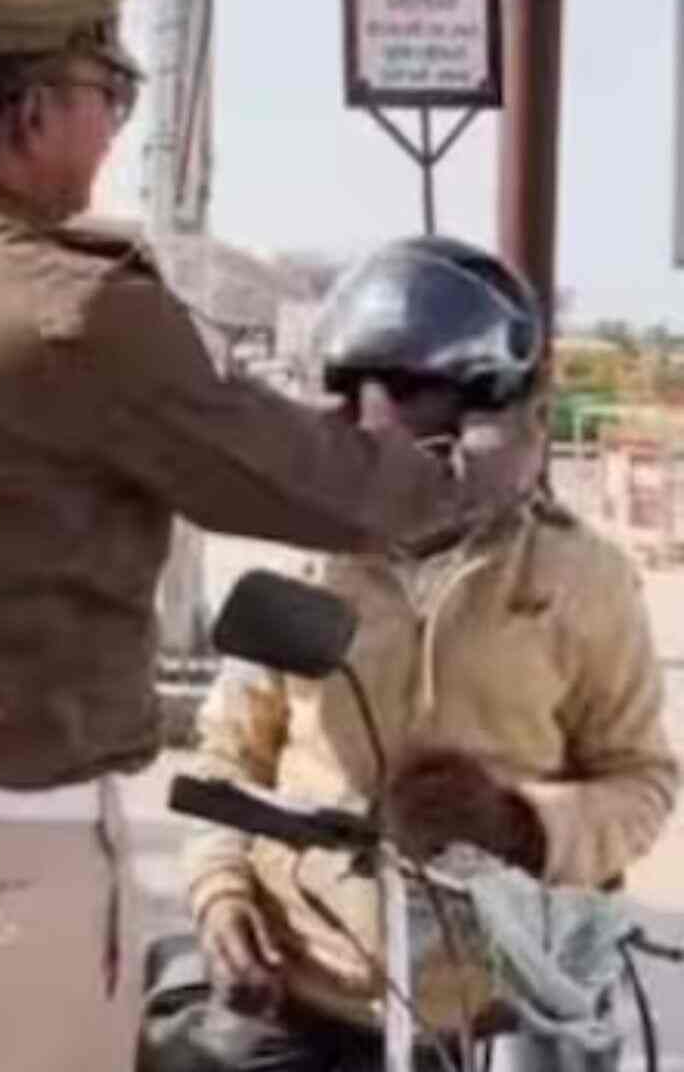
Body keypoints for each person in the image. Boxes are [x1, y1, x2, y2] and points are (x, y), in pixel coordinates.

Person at [0, 0, 542, 1069]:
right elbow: (307, 483)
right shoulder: (66, 307)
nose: (117, 125)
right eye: (110, 92)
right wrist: (469, 482)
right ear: (34, 112)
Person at [142, 238, 679, 1072]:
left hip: (503, 997)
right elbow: (229, 758)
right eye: (354, 391)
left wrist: (525, 824)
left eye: (407, 391)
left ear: (489, 404)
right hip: (310, 988)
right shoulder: (307, 558)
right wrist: (220, 894)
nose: (374, 419)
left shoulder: (583, 579)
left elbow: (642, 782)